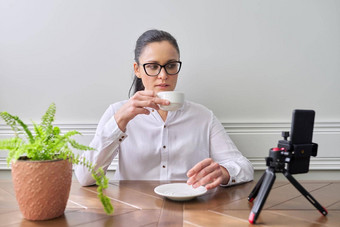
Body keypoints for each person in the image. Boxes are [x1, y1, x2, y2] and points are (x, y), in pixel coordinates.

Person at [75, 29, 253, 190]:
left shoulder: (203, 116)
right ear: (137, 69)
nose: (163, 75)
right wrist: (119, 121)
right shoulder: (117, 111)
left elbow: (244, 167)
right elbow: (85, 177)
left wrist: (223, 172)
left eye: (171, 65)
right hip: (133, 212)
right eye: (153, 66)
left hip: (191, 211)